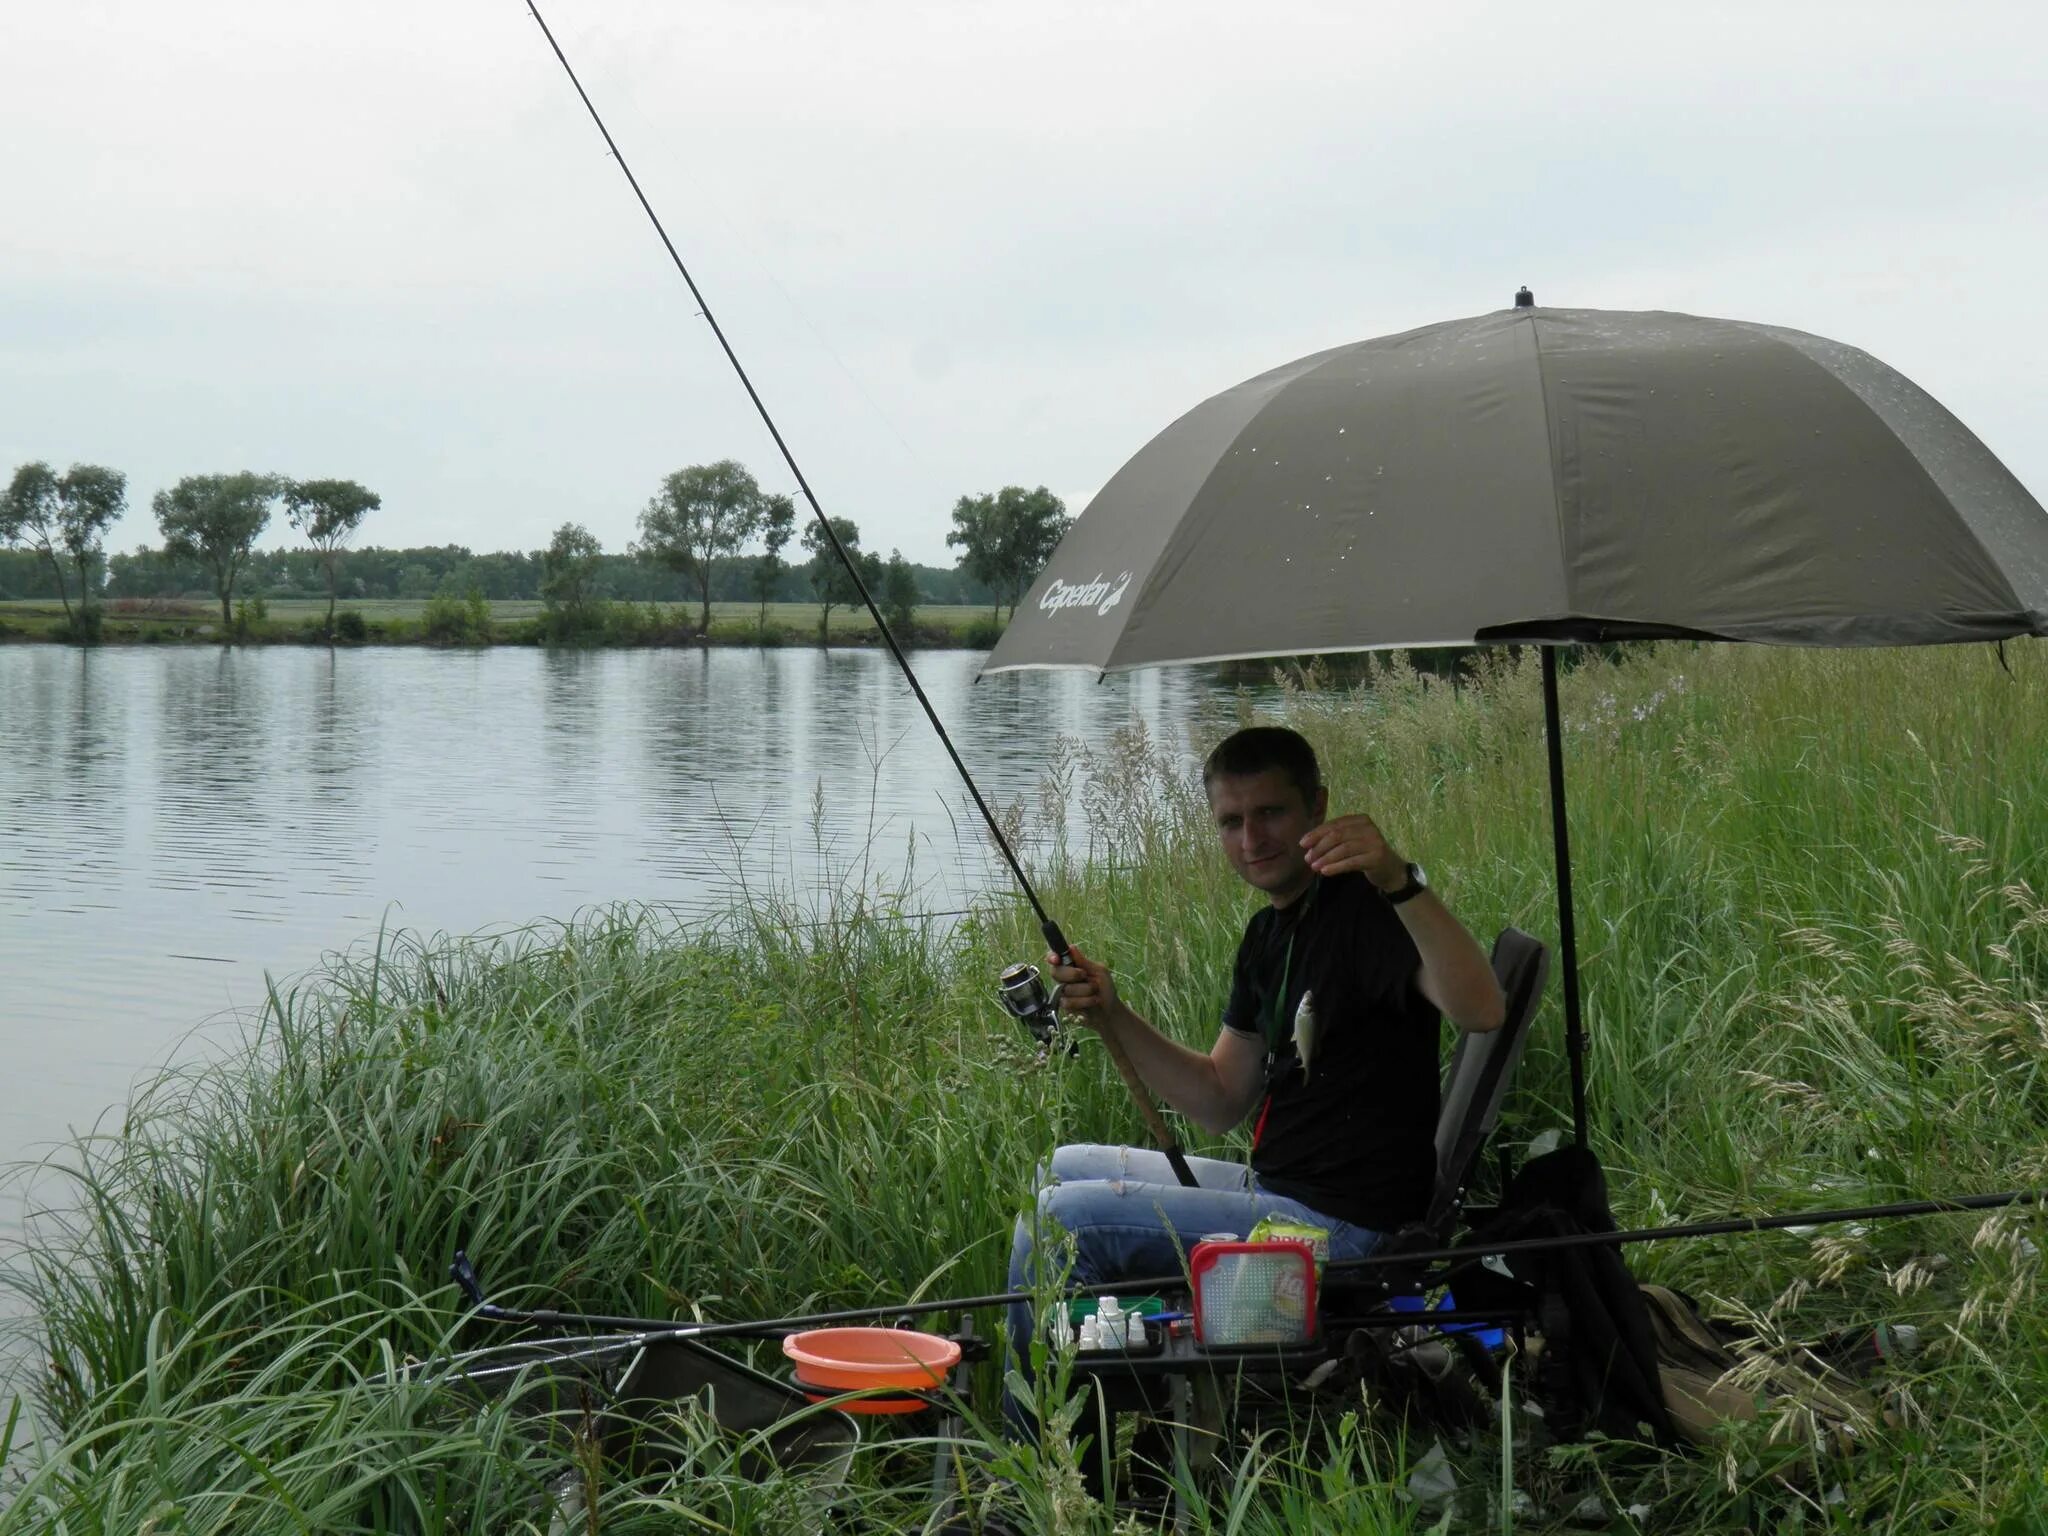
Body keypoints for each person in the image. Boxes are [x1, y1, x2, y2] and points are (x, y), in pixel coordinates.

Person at [1005, 725, 1507, 1418]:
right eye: (1231, 822)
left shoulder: (1369, 908)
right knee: (1059, 1169)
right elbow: (1219, 1099)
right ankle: (1113, 1402)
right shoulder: (1269, 934)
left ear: (1317, 808)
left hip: (1340, 1229)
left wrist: (1400, 878)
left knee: (1063, 1223)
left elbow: (1481, 1007)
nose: (1251, 839)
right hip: (1280, 1191)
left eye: (1270, 813)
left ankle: (1041, 1459)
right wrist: (1114, 1012)